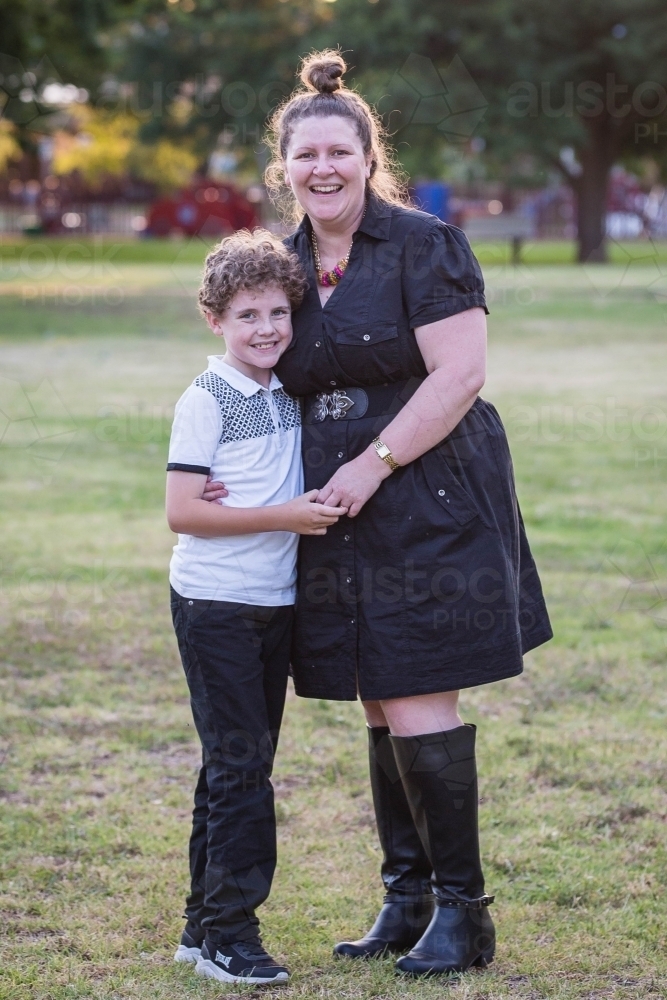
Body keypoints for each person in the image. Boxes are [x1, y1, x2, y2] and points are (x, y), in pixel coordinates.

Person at [204, 49, 553, 977]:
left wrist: (374, 462)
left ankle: (465, 911)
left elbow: (462, 374)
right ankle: (406, 898)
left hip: (426, 488)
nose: (321, 169)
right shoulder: (277, 263)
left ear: (367, 156)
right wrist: (214, 470)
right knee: (374, 692)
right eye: (303, 157)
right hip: (336, 504)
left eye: (338, 154)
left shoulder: (424, 244)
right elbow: (243, 368)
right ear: (285, 168)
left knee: (414, 687)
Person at [166, 229, 346, 984]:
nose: (267, 328)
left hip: (273, 601)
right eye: (247, 315)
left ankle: (201, 927)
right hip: (216, 604)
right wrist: (282, 516)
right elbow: (182, 510)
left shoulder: (282, 390)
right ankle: (234, 937)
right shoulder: (206, 398)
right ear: (216, 320)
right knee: (244, 772)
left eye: (278, 311)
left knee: (232, 766)